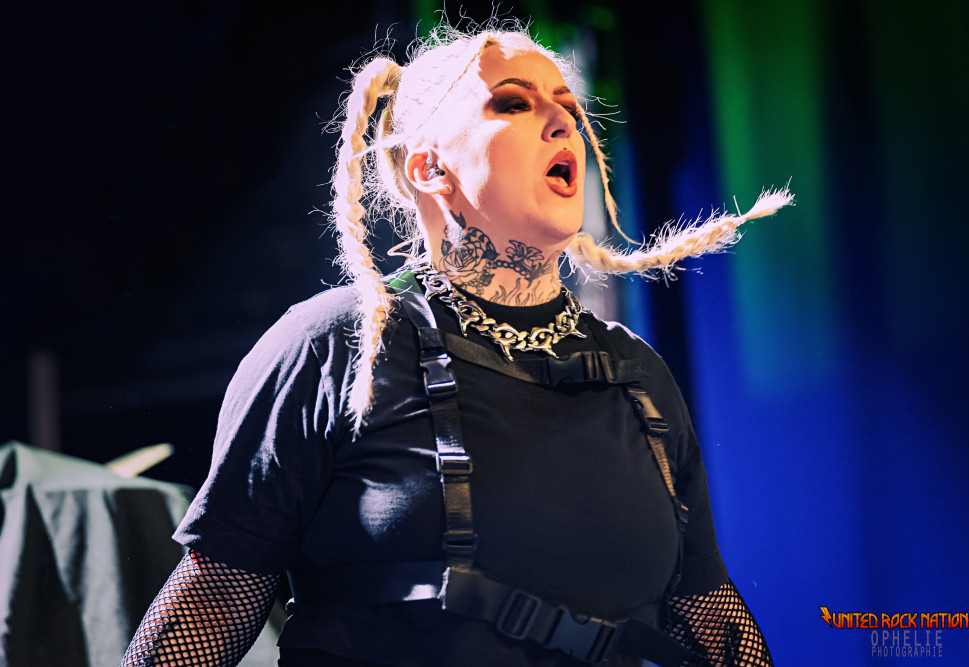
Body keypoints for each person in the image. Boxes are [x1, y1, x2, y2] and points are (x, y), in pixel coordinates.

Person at [121, 21, 791, 667]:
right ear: (430, 167)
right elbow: (211, 603)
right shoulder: (335, 345)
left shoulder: (634, 373)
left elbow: (712, 617)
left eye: (566, 105)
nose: (564, 122)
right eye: (514, 104)